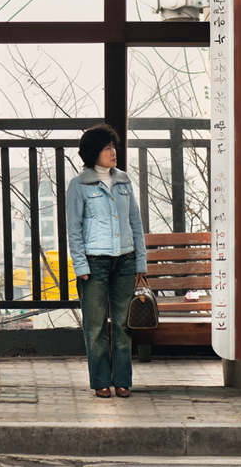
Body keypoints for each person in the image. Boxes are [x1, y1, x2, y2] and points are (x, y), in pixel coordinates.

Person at [66, 123, 147, 399]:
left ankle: (123, 380)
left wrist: (140, 264)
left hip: (124, 261)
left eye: (113, 147)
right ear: (93, 153)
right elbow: (73, 229)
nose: (113, 152)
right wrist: (80, 265)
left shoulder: (124, 180)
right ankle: (101, 381)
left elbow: (135, 223)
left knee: (124, 325)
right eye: (106, 148)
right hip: (94, 263)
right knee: (96, 326)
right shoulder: (79, 185)